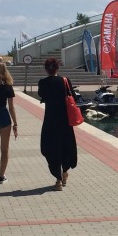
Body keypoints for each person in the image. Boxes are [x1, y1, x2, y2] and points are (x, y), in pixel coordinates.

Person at [38, 57, 78, 191]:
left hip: (50, 121)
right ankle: (64, 172)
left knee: (50, 148)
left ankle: (58, 179)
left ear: (46, 69)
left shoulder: (43, 83)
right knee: (65, 146)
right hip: (65, 121)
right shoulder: (65, 81)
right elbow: (74, 97)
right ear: (58, 68)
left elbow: (42, 95)